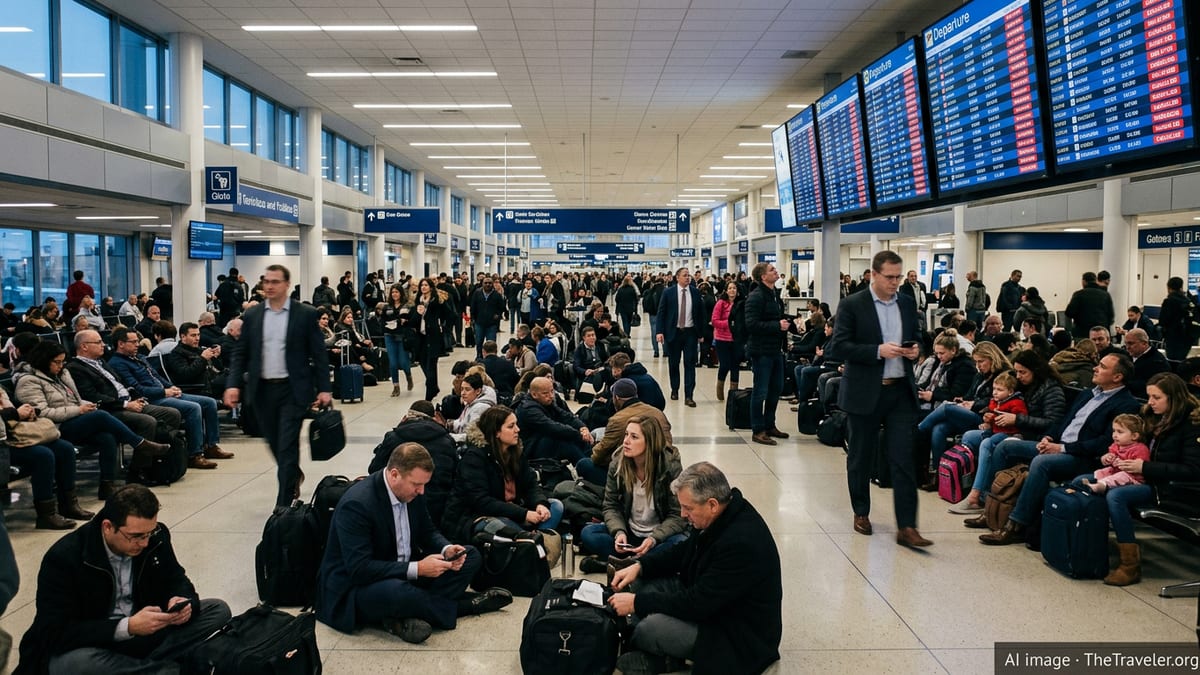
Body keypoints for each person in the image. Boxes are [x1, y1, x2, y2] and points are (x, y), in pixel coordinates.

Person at [15, 485, 232, 674]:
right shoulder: (65, 557)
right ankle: (165, 669)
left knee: (218, 610)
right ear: (108, 527)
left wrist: (183, 601)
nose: (144, 543)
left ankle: (141, 668)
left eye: (148, 533)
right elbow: (54, 632)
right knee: (75, 663)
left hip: (145, 636)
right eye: (136, 536)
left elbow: (176, 578)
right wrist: (127, 627)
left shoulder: (155, 536)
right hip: (97, 642)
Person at [317, 442, 511, 645]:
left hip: (401, 571)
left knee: (470, 555)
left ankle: (407, 612)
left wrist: (446, 549)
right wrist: (418, 569)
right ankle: (466, 606)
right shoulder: (357, 504)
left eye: (424, 484)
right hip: (360, 585)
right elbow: (360, 569)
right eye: (417, 484)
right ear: (394, 474)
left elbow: (428, 532)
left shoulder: (411, 492)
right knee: (397, 592)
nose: (421, 491)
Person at [608, 462, 781, 675]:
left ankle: (666, 657)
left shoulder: (740, 543)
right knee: (638, 583)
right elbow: (683, 551)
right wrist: (640, 566)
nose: (682, 514)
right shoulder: (721, 516)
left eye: (688, 508)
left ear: (712, 504)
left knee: (650, 628)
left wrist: (637, 603)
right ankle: (660, 652)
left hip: (736, 635)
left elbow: (697, 604)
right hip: (713, 604)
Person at [977, 353, 1140, 545]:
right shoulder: (1088, 394)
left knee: (1041, 462)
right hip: (1058, 445)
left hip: (1084, 456)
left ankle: (1015, 525)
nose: (1095, 368)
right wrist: (1048, 437)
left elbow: (1105, 443)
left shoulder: (1126, 404)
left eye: (1102, 367)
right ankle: (990, 509)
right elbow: (1063, 421)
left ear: (1117, 377)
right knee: (1005, 447)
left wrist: (1061, 448)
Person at [827, 250, 931, 547]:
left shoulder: (906, 303)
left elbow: (918, 336)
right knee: (861, 456)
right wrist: (877, 351)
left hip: (900, 391)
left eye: (899, 277)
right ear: (873, 274)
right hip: (865, 391)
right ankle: (861, 511)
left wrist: (915, 350)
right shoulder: (852, 304)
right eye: (889, 277)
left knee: (902, 458)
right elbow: (839, 346)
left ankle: (907, 526)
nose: (895, 283)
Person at [223, 264, 331, 506]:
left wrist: (325, 388)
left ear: (287, 285)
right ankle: (292, 473)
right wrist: (233, 384)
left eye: (275, 282)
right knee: (274, 442)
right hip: (262, 390)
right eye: (266, 281)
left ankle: (282, 505)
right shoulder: (253, 315)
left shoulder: (305, 314)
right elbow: (241, 352)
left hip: (293, 390)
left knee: (286, 445)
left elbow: (319, 353)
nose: (269, 286)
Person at [1081, 372, 1200, 585]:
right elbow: (1130, 445)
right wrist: (1112, 457)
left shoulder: (1192, 424)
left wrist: (1144, 467)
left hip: (1171, 488)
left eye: (1156, 397)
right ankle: (1091, 549)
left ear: (1174, 398)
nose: (1150, 402)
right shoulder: (1154, 416)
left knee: (1116, 496)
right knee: (1082, 481)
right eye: (1149, 396)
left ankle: (1130, 565)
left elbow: (1193, 470)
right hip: (1141, 476)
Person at [14, 342, 171, 499]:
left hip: (71, 420)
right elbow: (42, 413)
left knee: (107, 438)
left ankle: (107, 486)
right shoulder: (29, 381)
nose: (61, 366)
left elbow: (74, 399)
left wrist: (86, 405)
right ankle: (139, 443)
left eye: (62, 361)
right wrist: (79, 410)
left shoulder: (61, 375)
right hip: (52, 428)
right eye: (57, 362)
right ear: (43, 360)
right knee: (101, 416)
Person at [578, 415, 687, 573]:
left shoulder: (669, 466)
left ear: (650, 442)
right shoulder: (618, 463)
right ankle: (642, 563)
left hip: (659, 535)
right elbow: (611, 506)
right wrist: (619, 532)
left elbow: (677, 515)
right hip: (630, 532)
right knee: (589, 533)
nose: (626, 441)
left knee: (681, 542)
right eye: (626, 435)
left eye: (634, 437)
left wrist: (654, 538)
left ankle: (623, 564)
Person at [441, 406, 564, 544]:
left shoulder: (515, 452)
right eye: (511, 426)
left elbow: (531, 484)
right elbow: (481, 502)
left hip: (512, 511)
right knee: (502, 525)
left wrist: (539, 503)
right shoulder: (474, 458)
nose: (517, 429)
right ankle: (532, 543)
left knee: (555, 506)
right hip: (478, 516)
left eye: (516, 424)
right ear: (496, 433)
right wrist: (523, 514)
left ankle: (532, 543)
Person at [108, 326, 223, 470]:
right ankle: (195, 454)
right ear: (121, 344)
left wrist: (171, 387)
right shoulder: (117, 363)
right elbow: (137, 389)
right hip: (150, 398)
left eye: (137, 341)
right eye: (133, 342)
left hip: (164, 392)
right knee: (193, 408)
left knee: (209, 403)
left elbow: (157, 377)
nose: (138, 344)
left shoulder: (140, 358)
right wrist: (164, 392)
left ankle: (211, 445)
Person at [0, 385, 92, 529]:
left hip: (15, 434)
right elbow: (8, 415)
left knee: (65, 448)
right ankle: (46, 515)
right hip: (5, 445)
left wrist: (29, 411)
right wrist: (16, 414)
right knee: (43, 455)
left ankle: (68, 505)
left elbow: (14, 405)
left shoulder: (2, 388)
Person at [578, 377, 672, 486]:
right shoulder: (658, 413)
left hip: (633, 474)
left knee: (584, 464)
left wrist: (593, 449)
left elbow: (599, 455)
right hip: (663, 469)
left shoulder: (617, 419)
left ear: (616, 398)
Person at [744, 263, 791, 445]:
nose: (776, 271)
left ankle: (770, 425)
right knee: (760, 391)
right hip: (761, 351)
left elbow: (774, 317)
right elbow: (751, 324)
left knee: (776, 389)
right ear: (763, 277)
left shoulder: (774, 295)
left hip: (776, 350)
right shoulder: (756, 297)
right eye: (772, 270)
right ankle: (758, 429)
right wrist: (777, 325)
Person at [656, 268, 706, 407]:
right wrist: (659, 331)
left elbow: (701, 314)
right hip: (674, 333)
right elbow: (661, 312)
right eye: (684, 275)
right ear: (677, 278)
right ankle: (675, 389)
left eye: (688, 275)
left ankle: (689, 395)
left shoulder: (695, 292)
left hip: (690, 333)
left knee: (690, 363)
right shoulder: (668, 292)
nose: (687, 278)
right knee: (674, 363)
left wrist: (701, 334)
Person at [515, 376, 592, 462]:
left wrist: (582, 427)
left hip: (542, 440)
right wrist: (579, 435)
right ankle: (585, 465)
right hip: (531, 448)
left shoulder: (545, 403)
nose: (551, 396)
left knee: (580, 439)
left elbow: (566, 416)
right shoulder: (528, 409)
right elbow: (552, 427)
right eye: (545, 393)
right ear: (534, 395)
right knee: (564, 443)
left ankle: (591, 462)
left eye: (552, 391)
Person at [1080, 414, 1151, 493]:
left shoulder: (1140, 449)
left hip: (1132, 478)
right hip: (1115, 472)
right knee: (1104, 471)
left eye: (1120, 432)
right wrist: (1106, 458)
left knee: (1122, 476)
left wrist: (1122, 464)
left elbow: (1140, 468)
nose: (1115, 435)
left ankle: (1100, 486)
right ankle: (1098, 483)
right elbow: (1110, 455)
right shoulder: (1116, 445)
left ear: (1134, 436)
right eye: (1114, 431)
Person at [411, 278, 450, 401]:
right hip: (421, 337)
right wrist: (418, 313)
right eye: (422, 285)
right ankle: (434, 386)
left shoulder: (437, 301)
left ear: (431, 287)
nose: (423, 287)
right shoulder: (418, 301)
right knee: (423, 362)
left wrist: (442, 326)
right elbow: (413, 321)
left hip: (434, 336)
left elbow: (449, 314)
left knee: (431, 365)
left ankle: (429, 394)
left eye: (426, 285)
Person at [437, 373, 496, 444]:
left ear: (478, 391)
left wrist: (449, 437)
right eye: (462, 389)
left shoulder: (480, 408)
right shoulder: (472, 401)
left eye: (467, 389)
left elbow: (473, 436)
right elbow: (463, 423)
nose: (463, 393)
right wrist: (446, 424)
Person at [381, 284, 415, 396]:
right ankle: (396, 386)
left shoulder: (407, 306)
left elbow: (412, 319)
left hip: (402, 336)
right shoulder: (387, 307)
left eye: (396, 292)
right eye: (393, 292)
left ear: (401, 293)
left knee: (404, 362)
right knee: (393, 363)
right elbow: (382, 320)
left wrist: (404, 321)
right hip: (389, 335)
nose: (394, 294)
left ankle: (408, 375)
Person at [710, 281, 742, 402]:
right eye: (730, 288)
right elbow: (714, 321)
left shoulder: (741, 304)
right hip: (722, 339)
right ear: (726, 291)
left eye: (734, 288)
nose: (732, 290)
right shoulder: (721, 303)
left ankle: (734, 393)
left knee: (735, 366)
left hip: (736, 339)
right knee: (724, 365)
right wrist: (729, 324)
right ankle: (720, 389)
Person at [1065, 271, 1115, 340]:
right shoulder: (1106, 295)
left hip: (1081, 334)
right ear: (1095, 281)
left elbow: (1069, 313)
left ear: (1084, 281)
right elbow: (1111, 316)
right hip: (1100, 334)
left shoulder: (1078, 294)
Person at [1123, 328, 1170, 399]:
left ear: (1144, 343)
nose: (1127, 347)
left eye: (1131, 343)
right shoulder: (1128, 356)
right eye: (1126, 344)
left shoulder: (1157, 363)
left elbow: (1149, 387)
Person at [468, 276, 506, 360]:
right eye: (486, 283)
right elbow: (473, 306)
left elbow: (502, 307)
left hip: (491, 324)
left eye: (490, 283)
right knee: (479, 342)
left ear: (492, 284)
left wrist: (498, 315)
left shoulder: (496, 295)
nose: (488, 285)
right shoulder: (477, 293)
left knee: (491, 343)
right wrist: (472, 318)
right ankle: (479, 356)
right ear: (482, 284)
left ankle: (491, 358)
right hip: (479, 322)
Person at [1158, 276, 1196, 360]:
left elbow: (1163, 321)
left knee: (1173, 361)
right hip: (1187, 337)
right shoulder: (1189, 301)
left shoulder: (1169, 301)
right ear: (1181, 287)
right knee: (1182, 360)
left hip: (1173, 337)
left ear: (1169, 288)